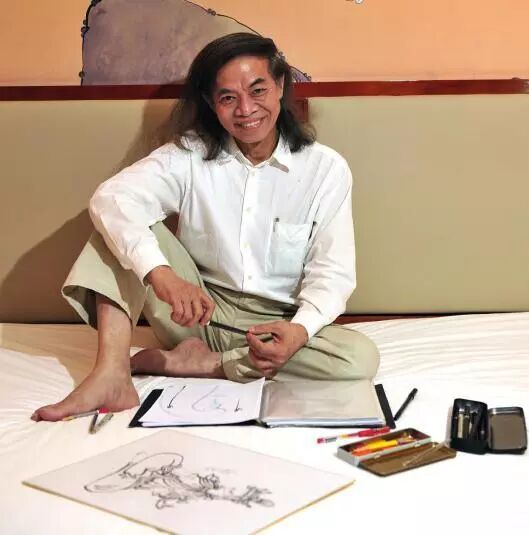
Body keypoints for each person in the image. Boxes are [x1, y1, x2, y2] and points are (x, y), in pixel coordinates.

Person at [32, 32, 379, 422]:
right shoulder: (188, 155)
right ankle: (111, 373)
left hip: (273, 325)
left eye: (258, 90)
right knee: (116, 224)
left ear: (280, 86)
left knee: (359, 358)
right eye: (228, 98)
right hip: (194, 312)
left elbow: (333, 274)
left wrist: (298, 331)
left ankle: (208, 363)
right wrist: (161, 274)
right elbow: (111, 198)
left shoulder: (325, 169)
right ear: (212, 104)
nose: (246, 109)